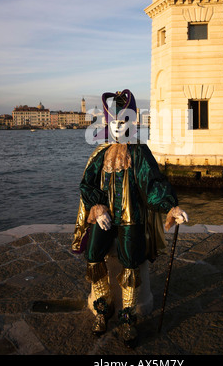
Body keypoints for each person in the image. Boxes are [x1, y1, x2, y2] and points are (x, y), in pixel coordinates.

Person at [72, 89, 188, 348]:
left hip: (131, 218)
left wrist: (171, 207)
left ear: (132, 124)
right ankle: (103, 310)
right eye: (113, 123)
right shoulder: (100, 154)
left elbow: (153, 184)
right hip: (104, 217)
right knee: (93, 254)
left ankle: (128, 317)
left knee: (130, 261)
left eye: (122, 122)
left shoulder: (139, 154)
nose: (117, 127)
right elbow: (86, 185)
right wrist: (97, 209)